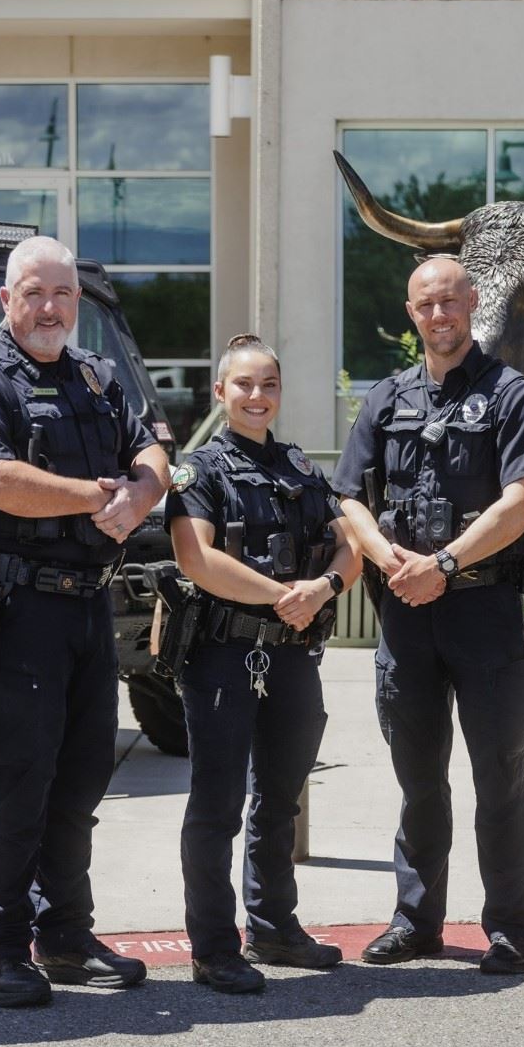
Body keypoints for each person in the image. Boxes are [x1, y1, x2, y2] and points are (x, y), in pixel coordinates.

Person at [0, 236, 171, 1008]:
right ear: (6, 301)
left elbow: (154, 449)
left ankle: (66, 936)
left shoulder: (97, 378)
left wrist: (139, 495)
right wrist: (96, 495)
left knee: (79, 781)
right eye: (34, 293)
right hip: (17, 608)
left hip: (86, 607)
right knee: (20, 780)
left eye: (62, 294)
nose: (49, 308)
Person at [331, 256, 524, 975]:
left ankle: (510, 929)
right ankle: (415, 921)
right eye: (426, 306)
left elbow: (521, 500)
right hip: (405, 616)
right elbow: (349, 498)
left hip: (483, 613)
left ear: (473, 303)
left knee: (499, 776)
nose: (440, 316)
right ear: (412, 314)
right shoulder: (387, 398)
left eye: (451, 303)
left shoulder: (509, 394)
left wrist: (446, 564)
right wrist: (390, 560)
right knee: (419, 779)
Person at [164, 334, 360, 994]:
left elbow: (347, 549)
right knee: (217, 805)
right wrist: (284, 596)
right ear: (220, 393)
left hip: (295, 654)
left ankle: (275, 927)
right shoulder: (199, 470)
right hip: (224, 653)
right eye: (243, 385)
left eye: (267, 384)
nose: (256, 396)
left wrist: (323, 589)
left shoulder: (302, 469)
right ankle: (215, 947)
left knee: (280, 801)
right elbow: (198, 558)